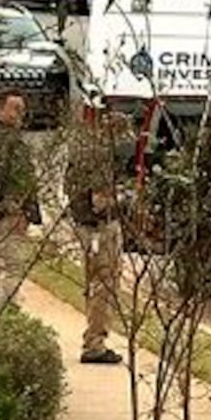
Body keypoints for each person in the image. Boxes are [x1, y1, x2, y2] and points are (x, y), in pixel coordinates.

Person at [67, 112, 129, 365]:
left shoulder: (82, 152)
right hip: (101, 228)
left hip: (83, 226)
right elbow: (101, 201)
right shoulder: (102, 158)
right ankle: (95, 342)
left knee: (92, 283)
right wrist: (126, 197)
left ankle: (92, 336)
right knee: (105, 285)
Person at [0, 91, 42, 303]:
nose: (20, 114)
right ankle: (8, 314)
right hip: (8, 214)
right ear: (0, 108)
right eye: (14, 108)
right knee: (13, 267)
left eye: (22, 109)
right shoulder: (8, 141)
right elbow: (17, 177)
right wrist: (18, 207)